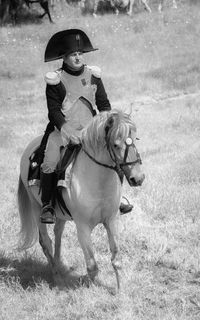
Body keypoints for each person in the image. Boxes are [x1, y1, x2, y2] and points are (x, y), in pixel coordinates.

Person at [40, 28, 133, 224]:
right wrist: (68, 131)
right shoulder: (55, 80)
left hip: (92, 133)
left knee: (115, 153)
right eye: (73, 55)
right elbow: (54, 112)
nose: (77, 58)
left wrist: (108, 125)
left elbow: (104, 105)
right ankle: (47, 204)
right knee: (50, 160)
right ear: (64, 58)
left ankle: (118, 197)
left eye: (80, 54)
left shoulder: (94, 76)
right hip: (63, 132)